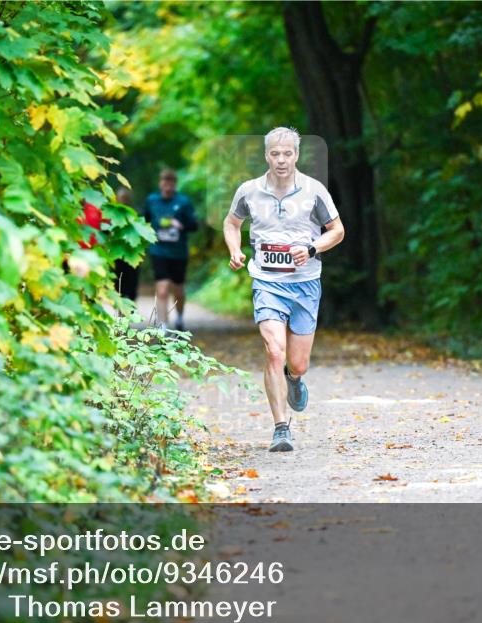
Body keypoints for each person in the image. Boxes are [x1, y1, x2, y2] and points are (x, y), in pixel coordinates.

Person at [222, 127, 345, 452]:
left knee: (298, 363)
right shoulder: (249, 191)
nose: (281, 160)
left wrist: (313, 248)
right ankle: (280, 428)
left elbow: (337, 230)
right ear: (266, 155)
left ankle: (294, 377)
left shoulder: (314, 191)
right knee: (274, 351)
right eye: (275, 153)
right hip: (267, 282)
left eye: (287, 153)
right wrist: (235, 250)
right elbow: (231, 223)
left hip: (305, 284)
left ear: (296, 155)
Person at [144, 168, 198, 331]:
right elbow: (143, 220)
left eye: (170, 182)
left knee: (178, 290)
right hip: (158, 250)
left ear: (175, 184)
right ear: (160, 183)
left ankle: (179, 319)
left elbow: (194, 225)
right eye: (164, 182)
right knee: (162, 289)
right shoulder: (152, 200)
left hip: (178, 253)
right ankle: (163, 326)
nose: (167, 185)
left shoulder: (183, 202)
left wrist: (181, 225)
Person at [112, 187, 140, 301]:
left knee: (132, 282)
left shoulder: (135, 214)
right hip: (117, 254)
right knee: (118, 283)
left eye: (125, 198)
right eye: (121, 198)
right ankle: (121, 308)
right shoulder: (111, 214)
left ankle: (131, 306)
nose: (123, 201)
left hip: (132, 253)